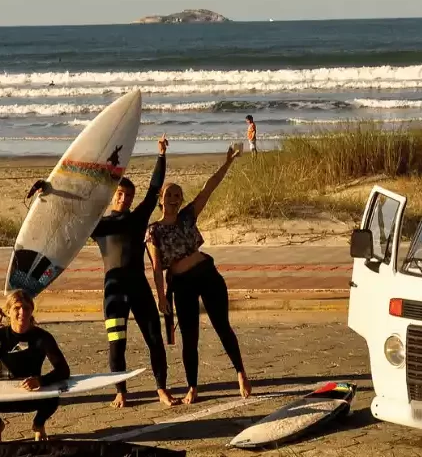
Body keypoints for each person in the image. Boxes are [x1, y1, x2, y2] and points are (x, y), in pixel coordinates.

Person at [145, 146, 252, 405]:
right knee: (189, 336)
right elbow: (157, 268)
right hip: (182, 286)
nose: (174, 198)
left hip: (208, 275)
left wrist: (227, 163)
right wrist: (160, 297)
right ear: (161, 198)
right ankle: (192, 386)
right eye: (169, 194)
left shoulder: (187, 217)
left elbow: (209, 188)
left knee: (222, 326)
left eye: (178, 195)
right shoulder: (153, 231)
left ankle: (241, 372)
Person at [91, 135, 179, 409]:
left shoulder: (138, 219)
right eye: (119, 194)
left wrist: (161, 156)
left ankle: (161, 389)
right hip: (113, 292)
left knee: (154, 339)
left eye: (128, 195)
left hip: (138, 288)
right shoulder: (98, 226)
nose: (125, 198)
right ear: (111, 196)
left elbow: (154, 190)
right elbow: (73, 216)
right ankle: (121, 391)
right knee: (117, 344)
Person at [0, 289, 70, 442]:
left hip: (31, 393)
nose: (22, 312)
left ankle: (38, 424)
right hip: (4, 395)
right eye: (17, 308)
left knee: (53, 396)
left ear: (32, 310)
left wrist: (40, 381)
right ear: (8, 312)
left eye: (26, 307)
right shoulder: (1, 336)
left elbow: (63, 370)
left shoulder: (43, 337)